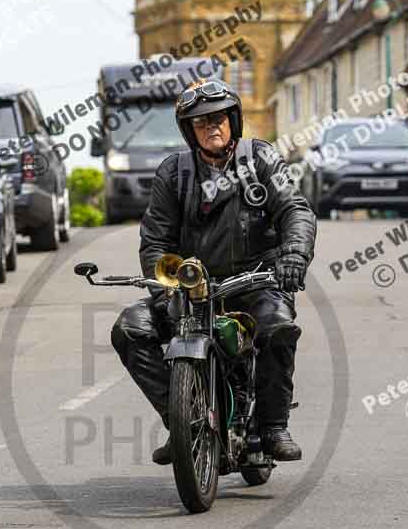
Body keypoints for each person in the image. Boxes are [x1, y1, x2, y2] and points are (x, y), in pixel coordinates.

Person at [111, 79, 317, 465]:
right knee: (130, 327)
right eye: (201, 122)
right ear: (190, 131)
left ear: (233, 120)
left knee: (277, 328)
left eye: (218, 118)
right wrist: (169, 288)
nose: (212, 127)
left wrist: (293, 255)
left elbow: (295, 210)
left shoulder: (260, 160)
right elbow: (155, 241)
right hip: (194, 289)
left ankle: (273, 426)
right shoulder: (173, 173)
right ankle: (181, 421)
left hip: (256, 282)